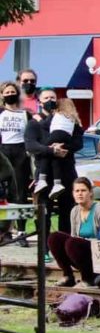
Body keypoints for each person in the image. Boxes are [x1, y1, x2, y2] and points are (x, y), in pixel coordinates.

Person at [26, 87, 80, 235]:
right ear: (39, 101)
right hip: (45, 174)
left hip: (66, 172)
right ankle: (44, 249)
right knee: (44, 213)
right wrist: (50, 150)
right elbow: (30, 144)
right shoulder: (35, 123)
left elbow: (78, 142)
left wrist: (64, 148)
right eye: (46, 98)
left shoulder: (68, 119)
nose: (50, 101)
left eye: (53, 98)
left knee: (67, 211)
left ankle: (64, 247)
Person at [48, 177, 100, 287]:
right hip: (78, 252)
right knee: (55, 238)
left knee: (72, 243)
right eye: (77, 191)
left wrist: (84, 242)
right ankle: (68, 275)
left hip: (98, 254)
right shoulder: (75, 211)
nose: (80, 194)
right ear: (73, 193)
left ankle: (88, 279)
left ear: (90, 193)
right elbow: (73, 236)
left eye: (83, 190)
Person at [0, 81, 31, 244]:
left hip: (20, 153)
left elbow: (32, 135)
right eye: (7, 92)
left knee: (20, 193)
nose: (10, 94)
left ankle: (21, 231)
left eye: (13, 92)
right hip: (3, 152)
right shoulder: (0, 113)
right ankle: (5, 231)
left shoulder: (25, 114)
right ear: (2, 95)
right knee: (4, 194)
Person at [32, 98, 81, 197]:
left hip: (56, 134)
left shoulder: (58, 115)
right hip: (66, 137)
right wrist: (63, 146)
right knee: (56, 158)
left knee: (47, 152)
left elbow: (45, 125)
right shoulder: (73, 118)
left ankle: (42, 179)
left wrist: (38, 118)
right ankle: (57, 183)